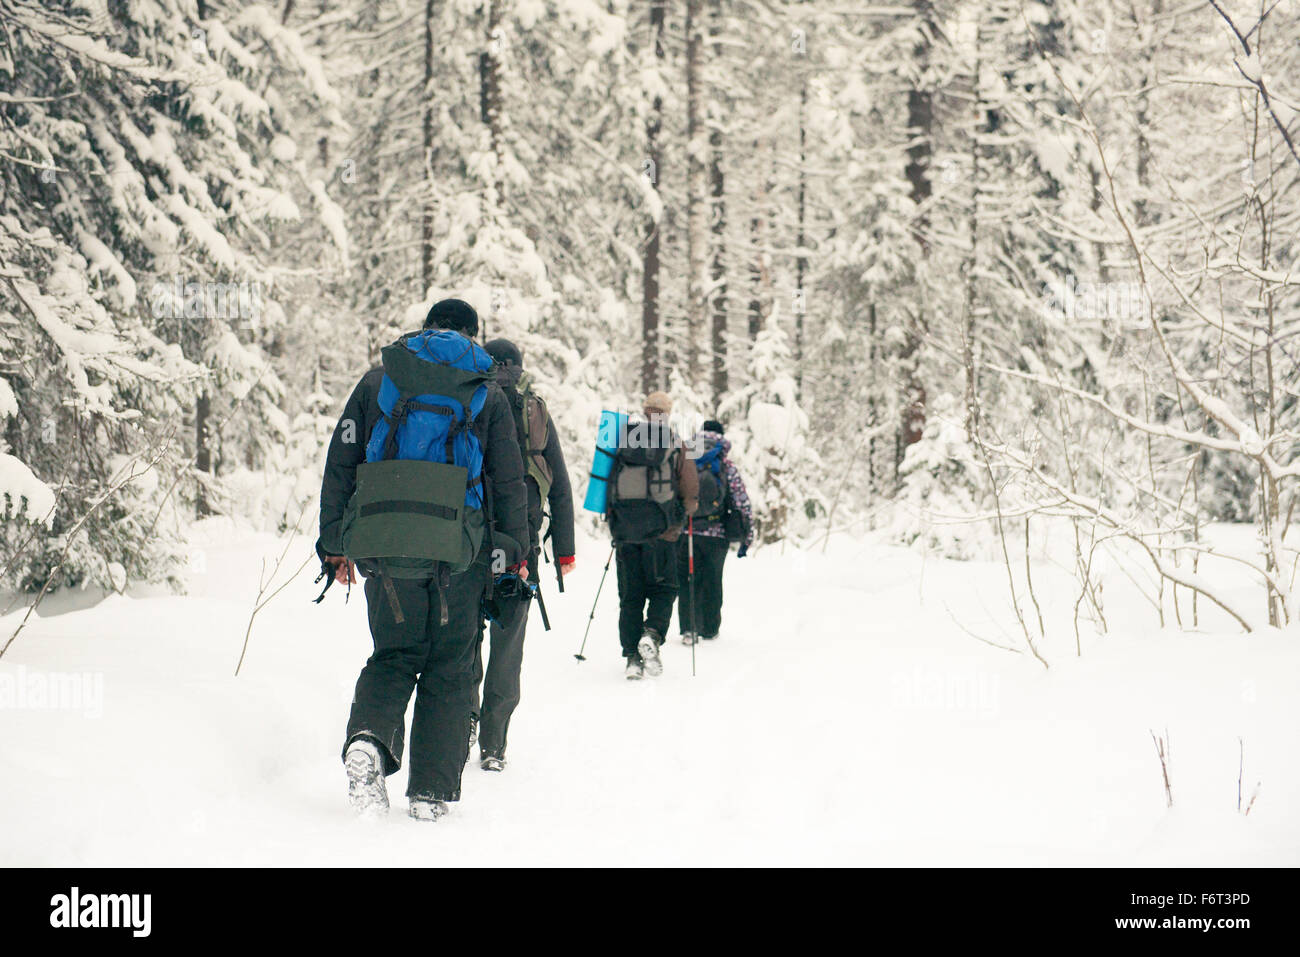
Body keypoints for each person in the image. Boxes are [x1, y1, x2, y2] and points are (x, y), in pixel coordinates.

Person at [315, 298, 529, 822]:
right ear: (473, 336)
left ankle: (368, 740)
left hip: (385, 546)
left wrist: (332, 544)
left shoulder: (377, 381)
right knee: (451, 666)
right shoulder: (488, 391)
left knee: (394, 654)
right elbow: (508, 479)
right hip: (461, 553)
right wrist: (512, 554)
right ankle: (429, 794)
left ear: (426, 328)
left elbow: (341, 460)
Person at [469, 338, 576, 772]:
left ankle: (463, 724)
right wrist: (564, 550)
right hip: (521, 550)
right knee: (507, 648)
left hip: (471, 545)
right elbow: (562, 486)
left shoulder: (471, 400)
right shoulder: (534, 411)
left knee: (465, 640)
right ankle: (494, 745)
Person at [610, 391, 698, 680]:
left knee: (630, 596)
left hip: (626, 533)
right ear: (667, 413)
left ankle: (632, 659)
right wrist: (686, 512)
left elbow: (607, 480)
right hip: (663, 534)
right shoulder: (676, 442)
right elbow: (690, 487)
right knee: (664, 589)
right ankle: (652, 634)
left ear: (645, 411)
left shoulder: (624, 438)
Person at [677, 419, 754, 644]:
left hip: (686, 530)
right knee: (712, 580)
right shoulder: (725, 465)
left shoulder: (685, 458)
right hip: (716, 533)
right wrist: (747, 536)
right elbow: (741, 501)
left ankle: (688, 630)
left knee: (686, 580)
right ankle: (709, 628)